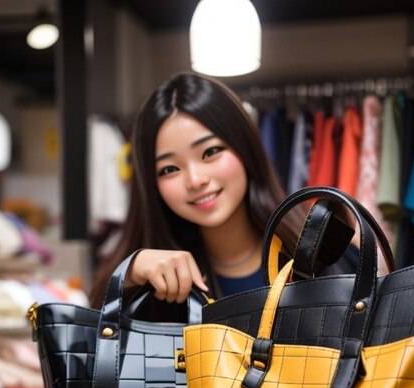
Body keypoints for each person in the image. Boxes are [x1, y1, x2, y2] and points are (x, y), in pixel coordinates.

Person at [90, 71, 359, 319]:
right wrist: (128, 274)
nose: (196, 180)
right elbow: (95, 342)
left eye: (210, 152)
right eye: (170, 168)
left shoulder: (327, 255)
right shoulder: (152, 288)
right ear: (151, 184)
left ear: (244, 147)